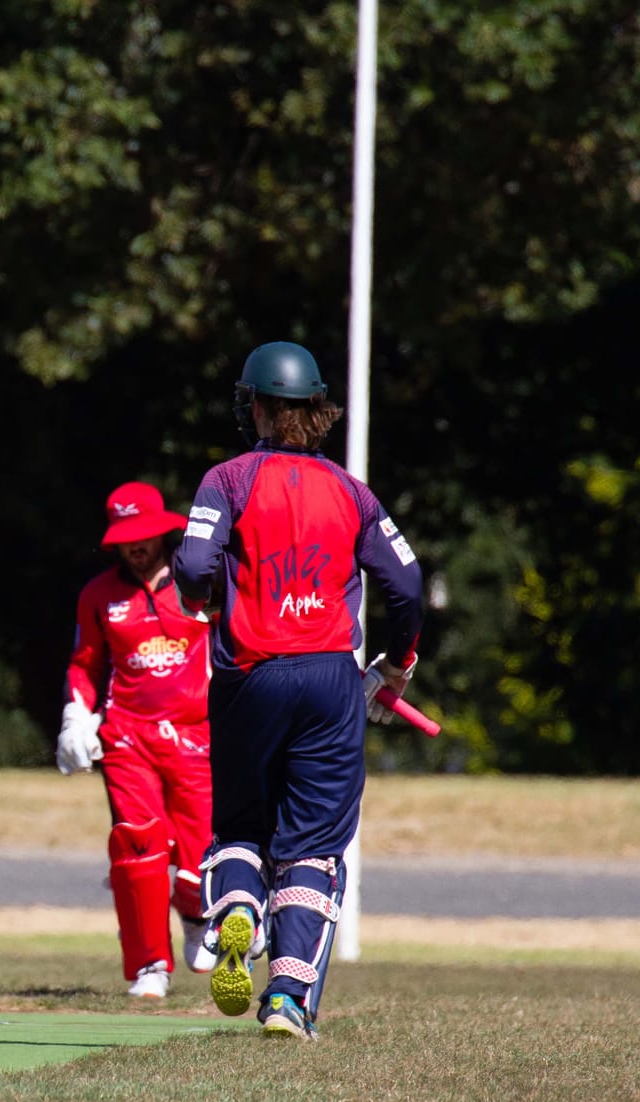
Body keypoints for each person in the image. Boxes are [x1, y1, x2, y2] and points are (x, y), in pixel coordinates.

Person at [172, 341, 424, 1040]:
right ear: (316, 411)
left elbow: (193, 563)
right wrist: (396, 661)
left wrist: (208, 598)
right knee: (312, 846)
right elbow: (404, 582)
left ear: (255, 405)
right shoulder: (353, 491)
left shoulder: (225, 479)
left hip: (249, 677)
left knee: (242, 827)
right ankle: (286, 998)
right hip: (330, 681)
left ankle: (238, 914)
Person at [57, 481, 214, 1000]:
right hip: (127, 736)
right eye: (127, 539)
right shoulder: (99, 594)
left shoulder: (203, 585)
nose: (137, 547)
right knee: (139, 843)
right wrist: (76, 718)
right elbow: (85, 665)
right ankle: (151, 964)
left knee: (199, 849)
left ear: (164, 533)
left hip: (196, 736)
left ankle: (196, 916)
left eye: (144, 536)